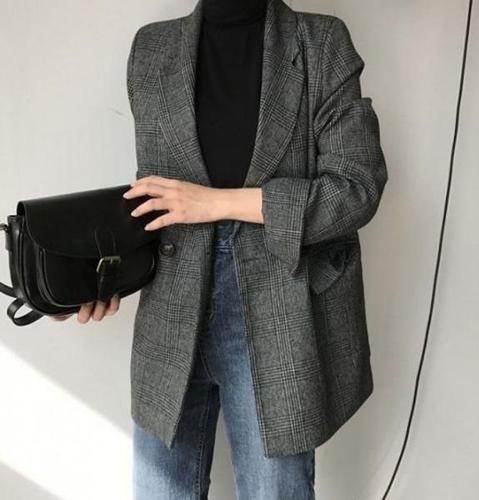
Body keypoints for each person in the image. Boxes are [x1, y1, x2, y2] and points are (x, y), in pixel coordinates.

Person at [57, 0, 387, 498]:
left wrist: (217, 203)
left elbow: (356, 188)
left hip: (280, 308)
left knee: (273, 491)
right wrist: (95, 280)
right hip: (169, 310)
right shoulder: (152, 48)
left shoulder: (319, 42)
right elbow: (155, 201)